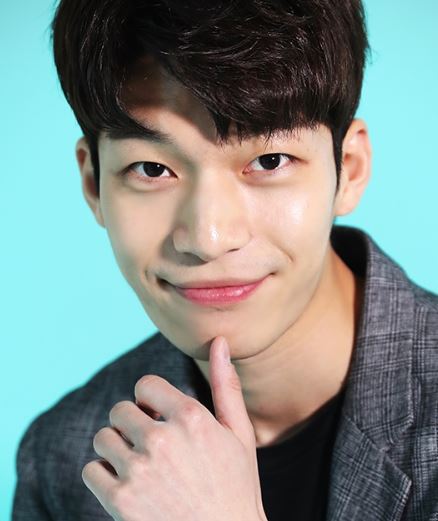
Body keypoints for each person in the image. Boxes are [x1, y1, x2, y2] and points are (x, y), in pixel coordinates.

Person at [12, 0, 438, 520]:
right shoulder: (65, 462)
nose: (208, 238)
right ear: (93, 184)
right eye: (151, 169)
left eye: (269, 161)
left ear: (348, 169)